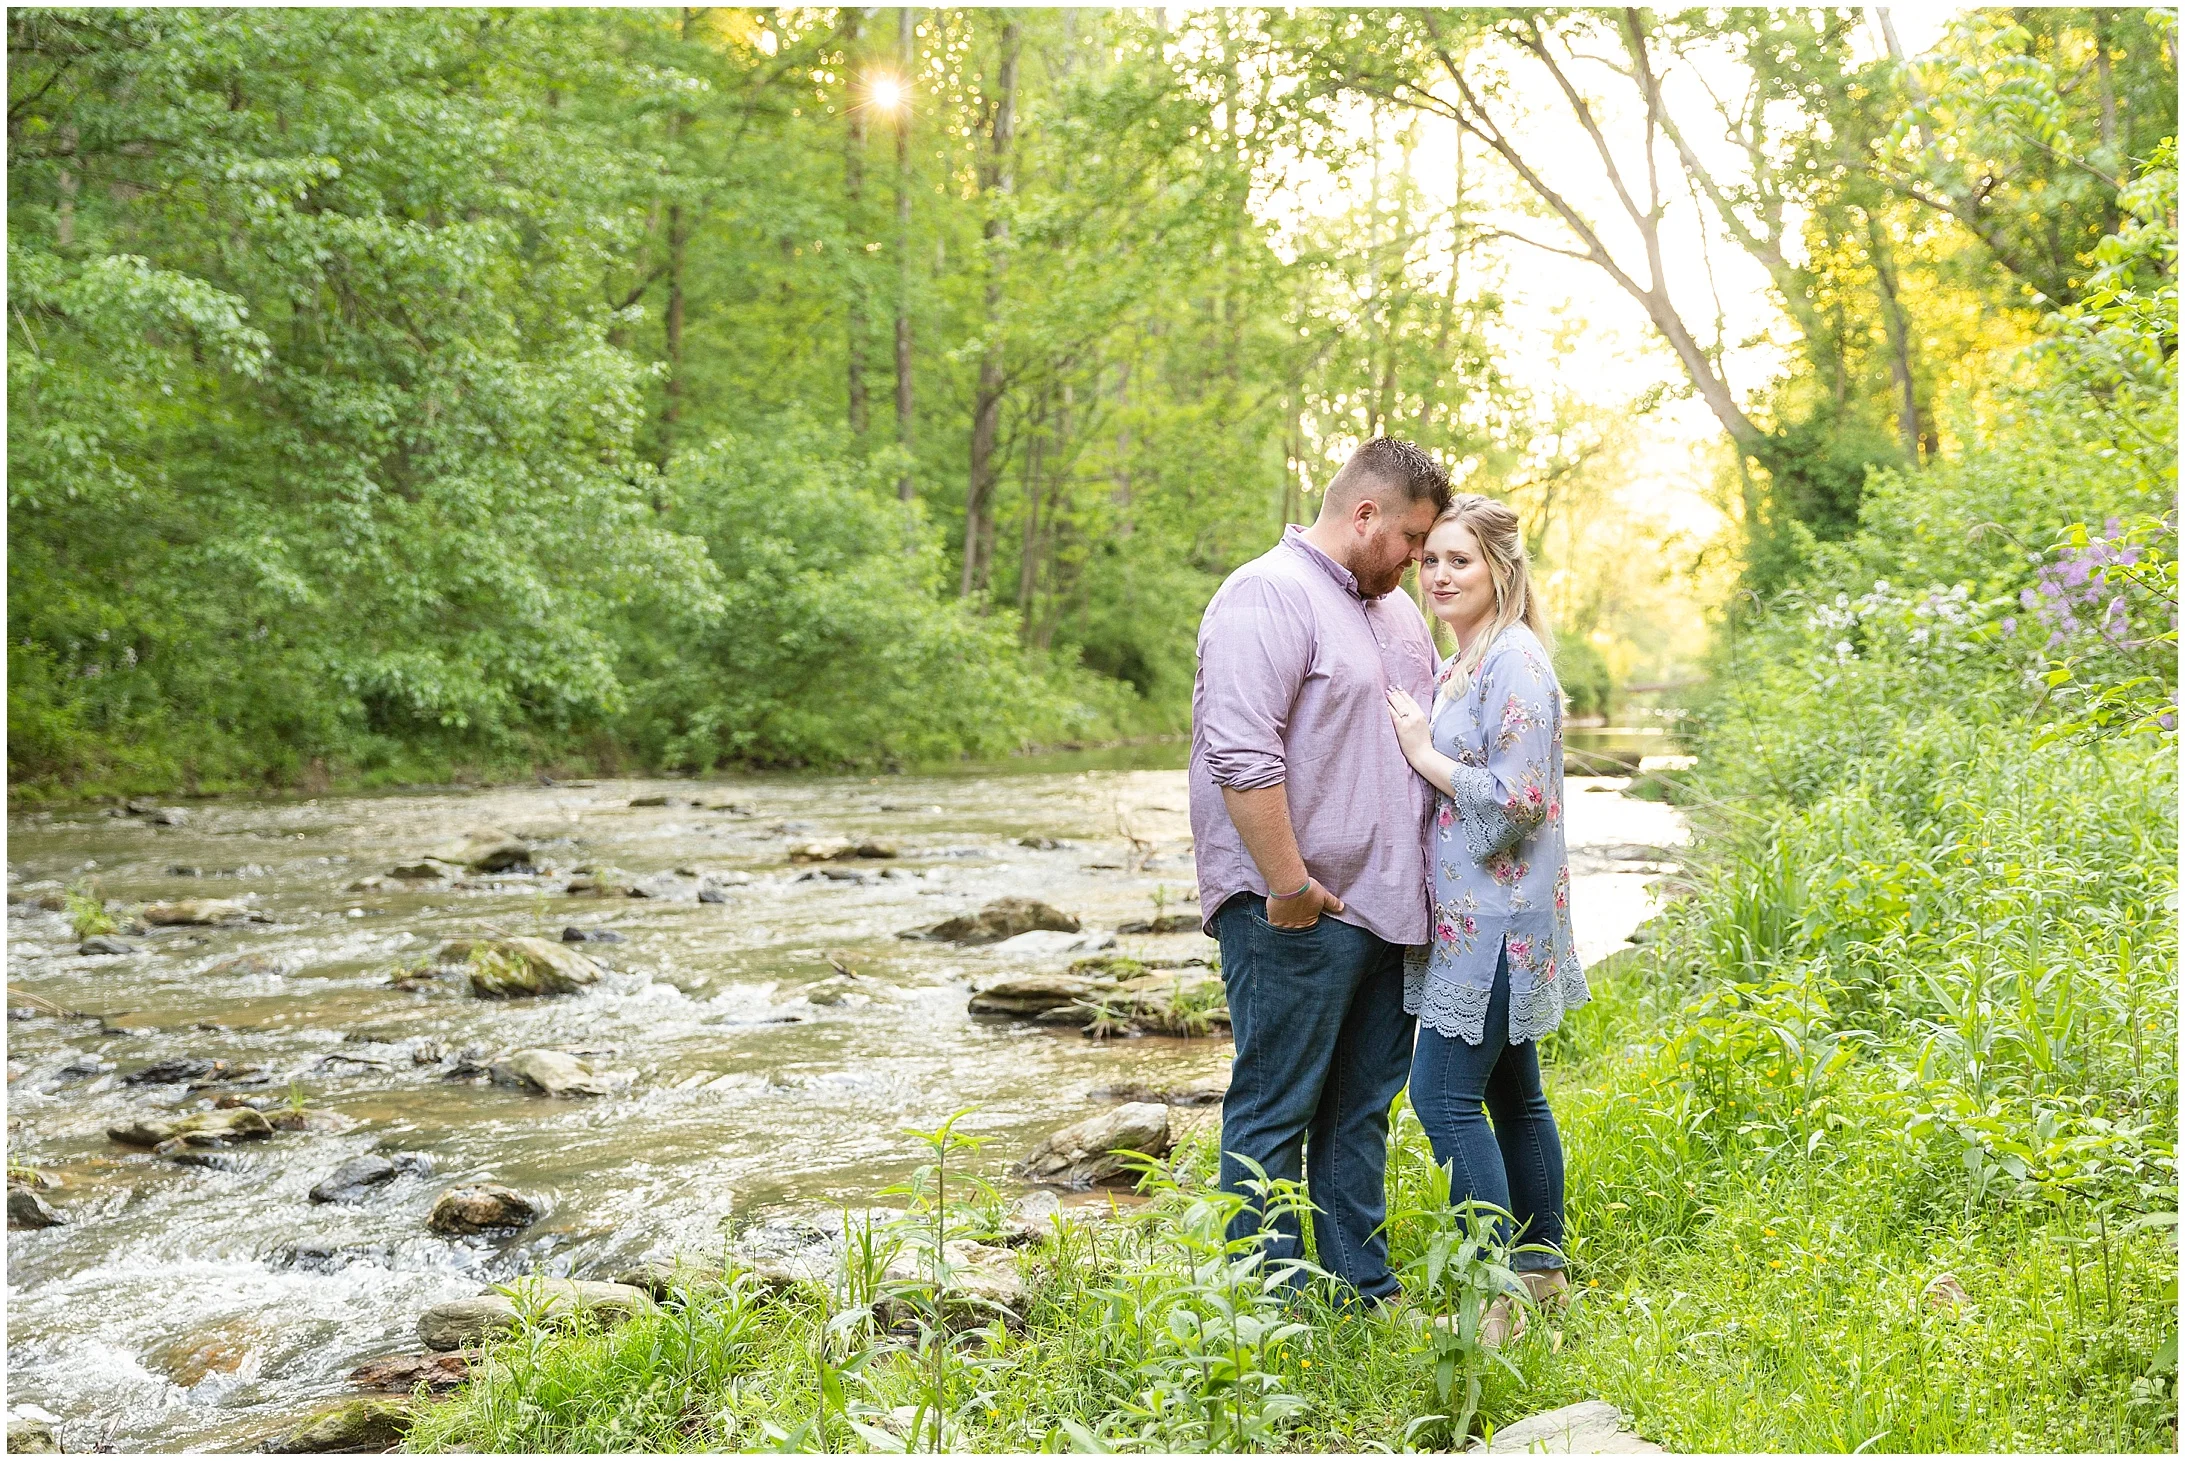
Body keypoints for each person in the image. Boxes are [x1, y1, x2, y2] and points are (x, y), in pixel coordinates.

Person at [1189, 436, 1452, 1306]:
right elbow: (1239, 751)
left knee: (1360, 1114)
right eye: (1412, 539)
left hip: (1388, 911)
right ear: (1363, 512)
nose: (1419, 559)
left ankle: (1359, 1293)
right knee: (1273, 1111)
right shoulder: (1267, 593)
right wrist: (1289, 885)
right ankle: (1272, 1314)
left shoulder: (1396, 614)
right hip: (1297, 909)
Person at [1383, 493, 1587, 1342]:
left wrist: (1424, 753)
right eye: (1428, 559)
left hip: (1497, 923)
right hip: (1480, 918)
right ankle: (1541, 1274)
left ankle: (1493, 1290)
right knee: (1514, 1092)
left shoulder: (1515, 665)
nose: (1437, 574)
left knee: (1440, 1095)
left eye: (1457, 560)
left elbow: (1518, 804)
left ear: (1499, 568)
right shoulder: (1466, 657)